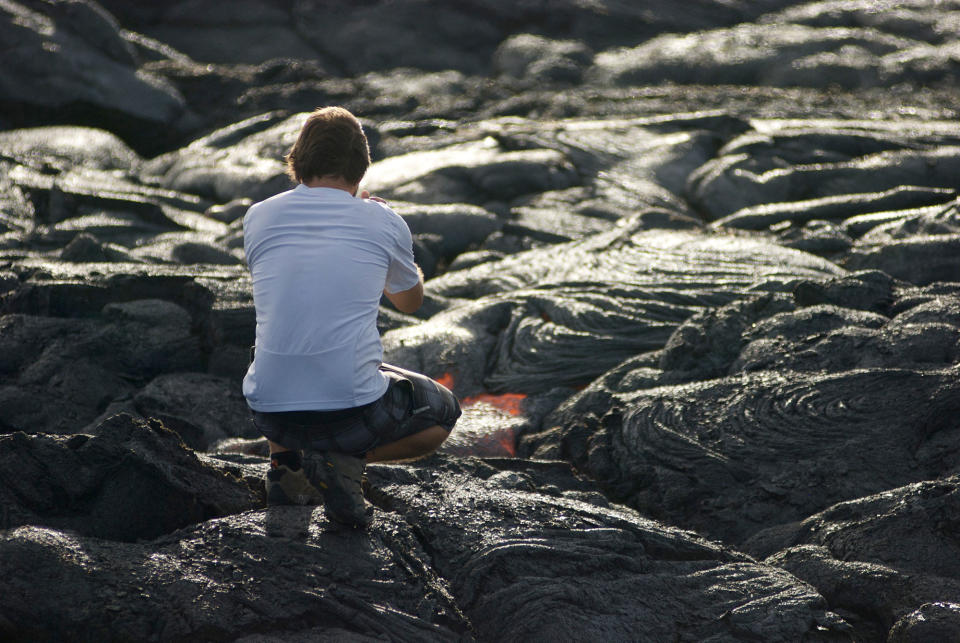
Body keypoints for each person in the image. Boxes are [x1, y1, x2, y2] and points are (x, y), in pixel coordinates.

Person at [242, 106, 461, 528]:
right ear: (361, 167)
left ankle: (286, 469)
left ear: (298, 162)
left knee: (281, 329)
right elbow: (409, 303)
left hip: (269, 410)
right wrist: (388, 245)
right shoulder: (381, 220)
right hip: (352, 413)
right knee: (444, 411)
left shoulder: (258, 215)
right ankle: (340, 463)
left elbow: (302, 282)